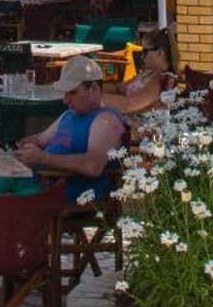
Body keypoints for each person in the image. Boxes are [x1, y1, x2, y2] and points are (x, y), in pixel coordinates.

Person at [15, 54, 129, 201]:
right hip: (36, 180)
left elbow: (93, 165)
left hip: (56, 191)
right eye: (65, 93)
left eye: (72, 93)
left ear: (94, 89)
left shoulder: (105, 120)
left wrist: (44, 159)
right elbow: (39, 140)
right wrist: (21, 148)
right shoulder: (70, 114)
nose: (65, 100)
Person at [105, 29, 175, 115]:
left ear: (160, 53)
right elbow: (119, 88)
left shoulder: (161, 79)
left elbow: (130, 105)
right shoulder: (148, 73)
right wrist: (94, 88)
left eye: (145, 52)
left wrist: (96, 98)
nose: (142, 56)